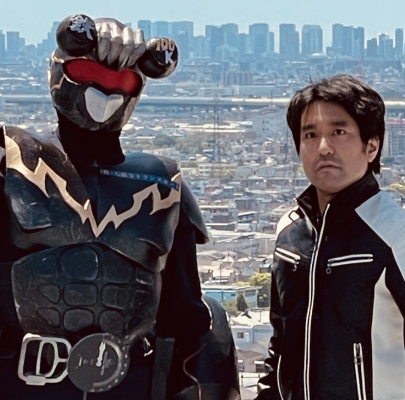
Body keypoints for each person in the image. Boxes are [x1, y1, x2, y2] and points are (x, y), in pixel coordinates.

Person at [0, 15, 239, 400]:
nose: (105, 90)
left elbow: (188, 319)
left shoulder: (162, 183)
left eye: (122, 81)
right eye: (88, 72)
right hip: (21, 381)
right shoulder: (12, 160)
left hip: (130, 381)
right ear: (58, 73)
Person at [256, 74, 405, 400]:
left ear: (371, 146)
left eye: (339, 132)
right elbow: (280, 345)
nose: (323, 147)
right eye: (310, 135)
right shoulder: (289, 234)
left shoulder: (395, 234)